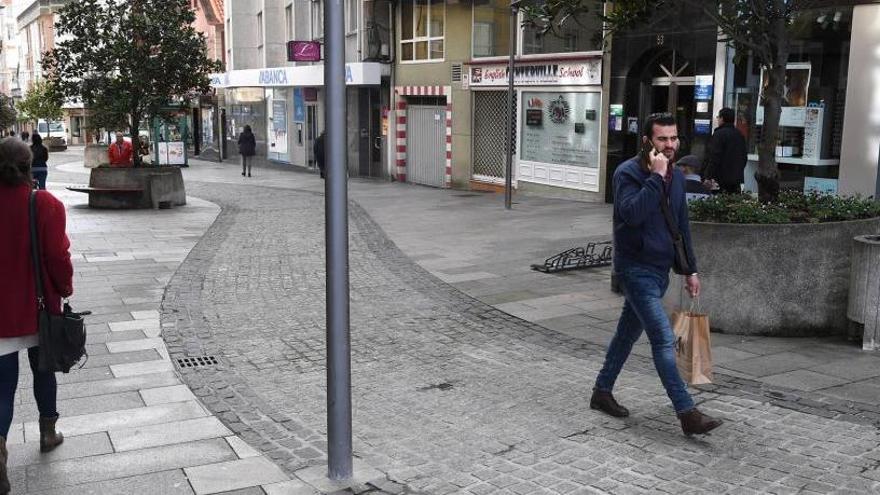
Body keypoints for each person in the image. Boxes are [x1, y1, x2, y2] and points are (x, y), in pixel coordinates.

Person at [591, 112, 722, 436]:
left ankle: (601, 392)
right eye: (662, 139)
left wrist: (690, 269)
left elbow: (681, 225)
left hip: (660, 269)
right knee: (664, 339)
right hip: (634, 269)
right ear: (648, 140)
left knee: (625, 335)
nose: (669, 145)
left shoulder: (676, 177)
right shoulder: (627, 174)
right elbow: (631, 214)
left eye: (674, 138)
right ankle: (686, 412)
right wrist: (655, 177)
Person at [0, 137, 73, 494]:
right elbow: (58, 256)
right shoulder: (43, 203)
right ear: (30, 166)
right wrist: (65, 288)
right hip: (39, 307)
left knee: (1, 387)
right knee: (44, 370)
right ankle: (48, 432)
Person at [704, 107, 747, 194]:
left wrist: (708, 176)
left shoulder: (719, 134)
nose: (718, 120)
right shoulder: (739, 135)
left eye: (718, 117)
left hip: (720, 179)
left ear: (722, 118)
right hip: (736, 179)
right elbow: (744, 157)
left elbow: (714, 157)